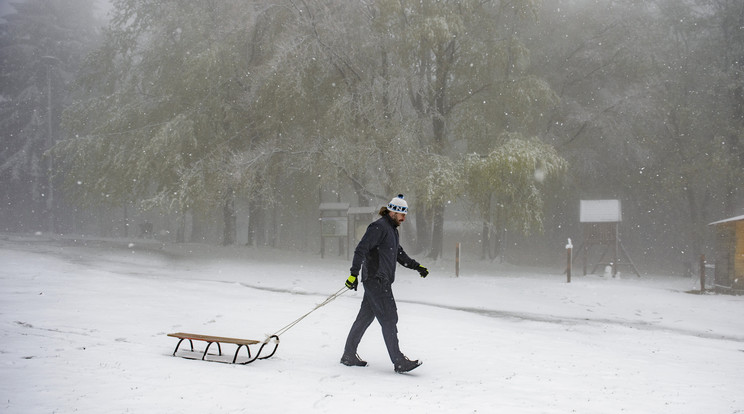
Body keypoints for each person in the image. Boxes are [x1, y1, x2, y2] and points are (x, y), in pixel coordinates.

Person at [341, 194, 429, 373]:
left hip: (379, 281)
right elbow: (361, 249)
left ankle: (348, 354)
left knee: (365, 317)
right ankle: (398, 361)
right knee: (389, 318)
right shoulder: (378, 227)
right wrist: (353, 274)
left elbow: (399, 254)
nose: (404, 218)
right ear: (392, 212)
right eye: (401, 214)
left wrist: (417, 266)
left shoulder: (391, 230)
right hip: (377, 281)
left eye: (405, 214)